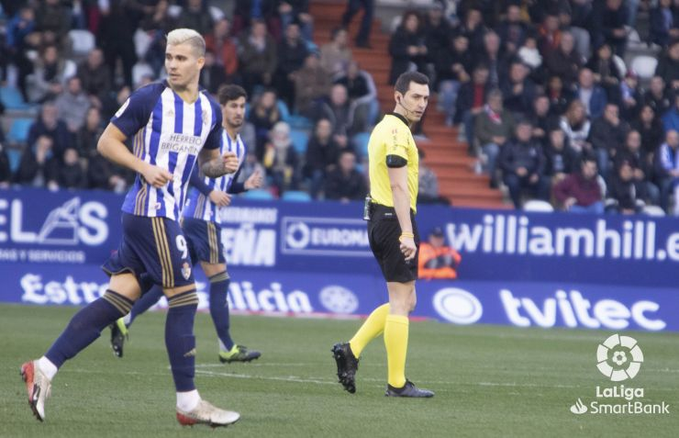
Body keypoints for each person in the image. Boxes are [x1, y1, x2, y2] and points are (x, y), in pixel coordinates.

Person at [20, 29, 242, 427]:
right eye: (169, 57)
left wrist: (219, 167)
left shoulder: (209, 109)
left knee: (117, 301)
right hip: (148, 211)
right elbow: (107, 142)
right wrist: (143, 166)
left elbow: (203, 162)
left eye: (180, 58)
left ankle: (43, 369)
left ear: (199, 63)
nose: (172, 64)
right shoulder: (149, 98)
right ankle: (188, 401)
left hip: (164, 212)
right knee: (186, 298)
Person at [109, 84, 264, 363]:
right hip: (202, 219)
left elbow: (224, 184)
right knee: (220, 280)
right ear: (222, 109)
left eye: (242, 106)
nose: (238, 112)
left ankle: (125, 318)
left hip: (193, 219)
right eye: (233, 106)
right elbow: (191, 168)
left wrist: (244, 187)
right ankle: (227, 346)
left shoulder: (239, 146)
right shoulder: (212, 137)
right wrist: (209, 192)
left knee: (167, 281)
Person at [332, 71, 434, 398]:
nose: (422, 103)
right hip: (393, 219)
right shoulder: (395, 132)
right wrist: (407, 231)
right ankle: (397, 383)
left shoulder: (386, 128)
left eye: (426, 98)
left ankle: (351, 349)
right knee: (402, 302)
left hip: (382, 216)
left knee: (406, 300)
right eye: (416, 96)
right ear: (398, 96)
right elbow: (397, 184)